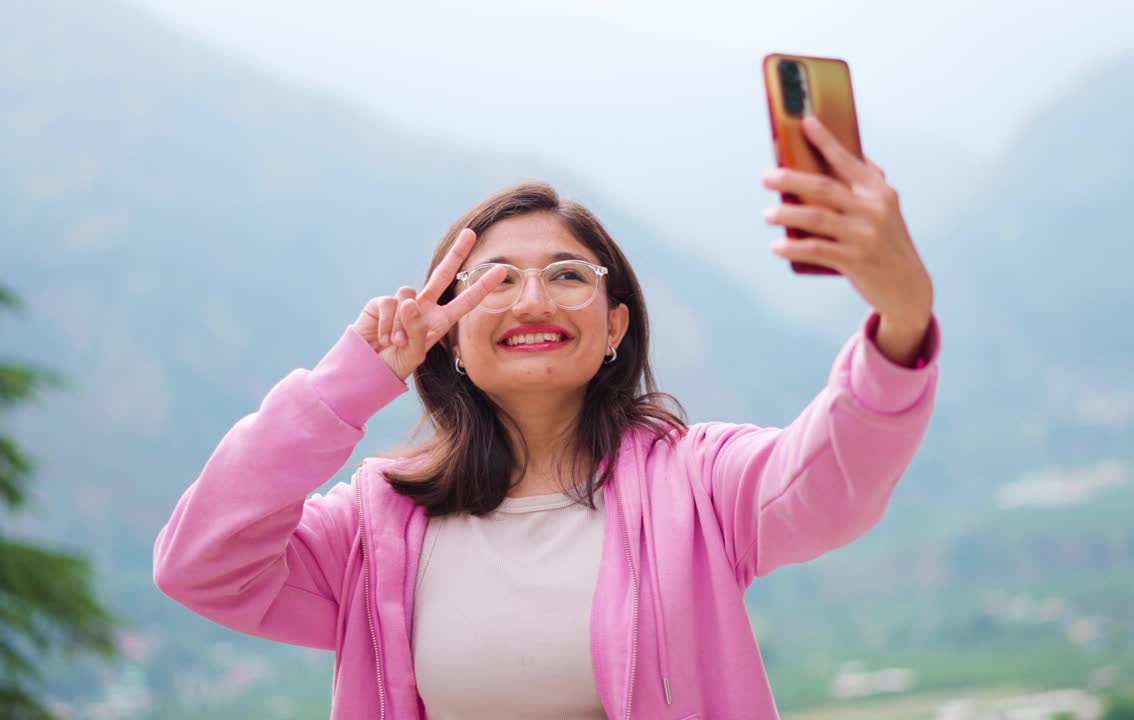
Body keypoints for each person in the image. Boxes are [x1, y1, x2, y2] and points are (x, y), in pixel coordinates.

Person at [153, 115, 940, 720]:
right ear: (450, 336)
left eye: (567, 274)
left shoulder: (698, 484)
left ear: (614, 328)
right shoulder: (375, 526)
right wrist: (350, 383)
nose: (532, 299)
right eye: (495, 280)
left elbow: (833, 478)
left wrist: (902, 315)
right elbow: (202, 564)